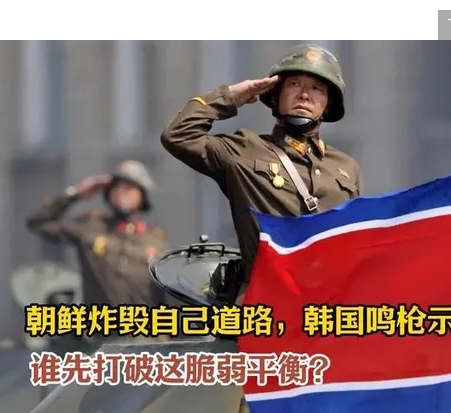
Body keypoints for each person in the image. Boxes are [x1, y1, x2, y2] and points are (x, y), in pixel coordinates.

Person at [160, 43, 361, 303]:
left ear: (328, 103)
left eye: (317, 88)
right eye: (294, 84)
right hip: (266, 304)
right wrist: (231, 97)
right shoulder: (245, 149)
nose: (304, 95)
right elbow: (177, 135)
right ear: (275, 95)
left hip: (327, 308)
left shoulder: (345, 167)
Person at [26, 159, 168, 308]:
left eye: (129, 187)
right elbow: (38, 222)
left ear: (143, 195)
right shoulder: (91, 225)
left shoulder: (155, 239)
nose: (121, 192)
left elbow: (165, 292)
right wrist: (75, 193)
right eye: (116, 187)